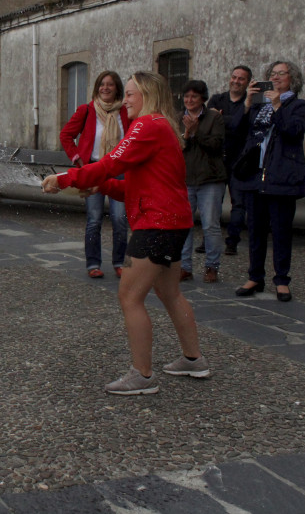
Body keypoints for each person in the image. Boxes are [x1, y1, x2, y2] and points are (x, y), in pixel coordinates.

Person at [43, 71, 208, 395]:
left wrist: (66, 178)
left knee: (129, 296)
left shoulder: (147, 125)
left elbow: (109, 162)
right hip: (173, 222)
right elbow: (132, 185)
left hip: (155, 225)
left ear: (147, 95)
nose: (125, 99)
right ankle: (194, 359)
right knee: (170, 293)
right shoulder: (164, 128)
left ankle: (142, 376)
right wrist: (98, 186)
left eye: (131, 94)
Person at [232, 61, 305, 303]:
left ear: (291, 79)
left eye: (280, 74)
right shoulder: (257, 106)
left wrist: (277, 104)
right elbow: (235, 131)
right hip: (255, 176)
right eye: (272, 74)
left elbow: (292, 131)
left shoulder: (298, 105)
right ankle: (255, 276)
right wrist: (246, 104)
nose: (275, 78)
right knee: (255, 230)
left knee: (281, 231)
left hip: (281, 176)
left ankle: (282, 279)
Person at [59, 71, 131, 279]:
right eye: (102, 84)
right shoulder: (87, 110)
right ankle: (93, 263)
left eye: (110, 84)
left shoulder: (125, 112)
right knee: (94, 219)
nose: (105, 88)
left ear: (117, 88)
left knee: (119, 218)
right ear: (97, 88)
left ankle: (119, 262)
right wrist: (76, 157)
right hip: (92, 169)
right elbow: (66, 135)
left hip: (118, 171)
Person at [179, 80, 227, 283]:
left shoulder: (214, 117)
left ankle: (211, 266)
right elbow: (177, 147)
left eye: (194, 97)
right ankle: (184, 266)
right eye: (187, 96)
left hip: (210, 178)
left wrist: (196, 131)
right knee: (184, 224)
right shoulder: (179, 117)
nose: (189, 100)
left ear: (202, 99)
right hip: (186, 178)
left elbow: (216, 144)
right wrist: (187, 134)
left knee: (210, 226)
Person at [208, 66, 252, 255]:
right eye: (234, 77)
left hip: (240, 160)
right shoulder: (217, 99)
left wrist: (222, 118)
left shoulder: (251, 102)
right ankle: (210, 242)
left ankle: (232, 242)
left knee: (238, 204)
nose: (236, 81)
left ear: (248, 83)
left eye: (241, 79)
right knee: (213, 203)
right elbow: (209, 121)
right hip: (217, 158)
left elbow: (240, 125)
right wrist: (236, 118)